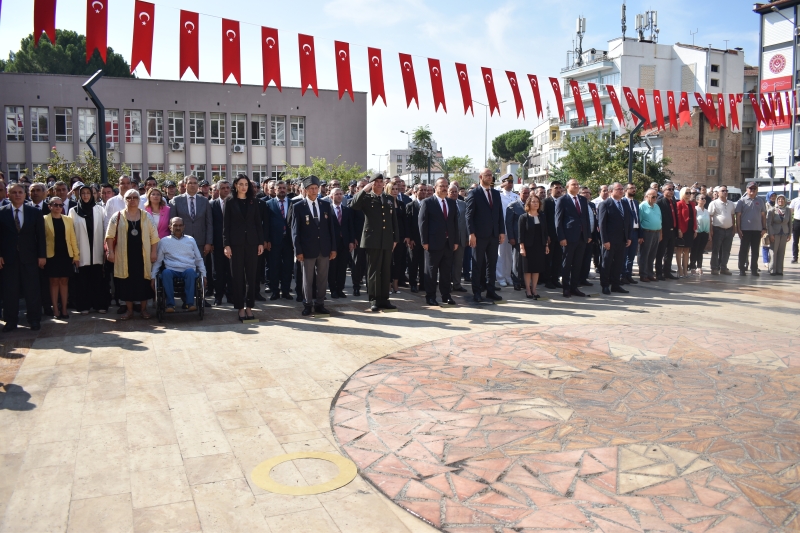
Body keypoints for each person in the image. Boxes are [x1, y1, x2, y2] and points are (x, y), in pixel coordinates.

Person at [105, 189, 159, 320]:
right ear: (125, 200)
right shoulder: (117, 216)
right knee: (127, 283)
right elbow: (110, 236)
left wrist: (153, 252)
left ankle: (143, 310)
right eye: (129, 197)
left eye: (135, 197)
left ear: (139, 200)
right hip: (124, 256)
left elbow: (154, 237)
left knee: (143, 283)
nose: (132, 200)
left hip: (143, 256)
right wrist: (110, 252)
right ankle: (129, 311)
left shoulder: (147, 216)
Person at [0, 183, 46, 331]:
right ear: (8, 195)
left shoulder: (34, 212)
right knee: (10, 291)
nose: (18, 195)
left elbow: (40, 236)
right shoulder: (2, 212)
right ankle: (11, 320)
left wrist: (42, 256)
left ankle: (34, 319)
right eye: (14, 192)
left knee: (32, 289)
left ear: (25, 195)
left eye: (20, 192)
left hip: (30, 257)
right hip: (9, 258)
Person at [349, 173, 399, 312]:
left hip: (387, 239)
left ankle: (385, 299)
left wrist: (396, 239)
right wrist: (364, 190)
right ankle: (374, 299)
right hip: (372, 239)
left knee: (386, 270)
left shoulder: (388, 198)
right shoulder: (366, 198)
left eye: (380, 181)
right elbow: (353, 204)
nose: (378, 184)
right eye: (375, 182)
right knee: (374, 271)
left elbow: (393, 220)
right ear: (371, 184)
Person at [291, 176, 336, 316]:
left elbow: (331, 229)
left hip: (324, 248)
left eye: (316, 188)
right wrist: (298, 250)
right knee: (307, 279)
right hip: (307, 249)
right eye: (311, 188)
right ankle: (307, 304)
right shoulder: (298, 206)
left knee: (323, 278)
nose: (314, 191)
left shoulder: (325, 205)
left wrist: (333, 248)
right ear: (305, 190)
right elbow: (295, 231)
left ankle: (320, 303)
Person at [223, 174, 265, 321]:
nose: (243, 187)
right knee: (237, 277)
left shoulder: (254, 201)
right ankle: (240, 308)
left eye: (246, 184)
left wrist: (261, 242)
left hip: (252, 244)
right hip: (235, 244)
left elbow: (258, 224)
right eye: (240, 184)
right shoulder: (229, 202)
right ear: (235, 185)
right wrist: (226, 245)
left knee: (252, 277)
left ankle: (249, 307)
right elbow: (226, 226)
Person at [152, 217, 207, 312]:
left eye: (180, 225)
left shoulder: (191, 240)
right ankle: (170, 305)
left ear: (184, 227)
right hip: (171, 269)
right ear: (170, 227)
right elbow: (158, 261)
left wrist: (204, 275)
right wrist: (153, 277)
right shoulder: (164, 241)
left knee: (190, 272)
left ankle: (189, 304)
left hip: (188, 269)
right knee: (166, 273)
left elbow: (198, 259)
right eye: (175, 225)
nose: (178, 228)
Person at [465, 168, 505, 303]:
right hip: (479, 235)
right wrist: (471, 233)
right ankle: (477, 292)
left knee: (492, 264)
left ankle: (490, 290)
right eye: (487, 175)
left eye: (491, 175)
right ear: (480, 177)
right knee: (477, 264)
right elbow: (469, 216)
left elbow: (499, 214)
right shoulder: (474, 193)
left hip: (493, 235)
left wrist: (501, 231)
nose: (489, 177)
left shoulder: (495, 193)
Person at [69, 184, 108, 314]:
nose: (86, 195)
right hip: (82, 251)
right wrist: (75, 254)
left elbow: (104, 230)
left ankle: (99, 304)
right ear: (79, 195)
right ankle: (84, 305)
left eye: (88, 193)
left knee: (98, 279)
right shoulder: (73, 211)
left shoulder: (99, 209)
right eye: (83, 193)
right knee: (82, 281)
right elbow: (71, 234)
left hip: (97, 249)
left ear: (92, 195)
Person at [419, 177, 458, 306]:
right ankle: (430, 296)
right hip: (433, 243)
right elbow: (422, 223)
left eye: (446, 185)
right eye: (441, 185)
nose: (444, 188)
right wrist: (424, 241)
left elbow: (454, 224)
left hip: (448, 243)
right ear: (435, 187)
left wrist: (455, 240)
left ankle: (446, 296)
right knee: (431, 271)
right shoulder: (428, 202)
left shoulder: (451, 203)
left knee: (446, 272)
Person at [43, 197, 80, 319]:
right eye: (55, 205)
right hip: (51, 256)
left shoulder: (68, 220)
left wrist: (76, 255)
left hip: (65, 255)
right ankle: (55, 309)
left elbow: (72, 238)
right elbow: (41, 240)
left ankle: (64, 308)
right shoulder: (44, 219)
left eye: (60, 205)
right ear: (50, 206)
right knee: (53, 282)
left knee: (64, 282)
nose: (58, 207)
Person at [555, 179, 592, 298]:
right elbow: (558, 221)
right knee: (567, 263)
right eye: (573, 184)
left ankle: (574, 287)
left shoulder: (582, 199)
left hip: (581, 237)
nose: (576, 186)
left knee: (578, 263)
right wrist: (561, 237)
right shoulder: (562, 200)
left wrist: (588, 235)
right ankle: (566, 288)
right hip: (568, 237)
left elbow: (586, 219)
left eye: (577, 184)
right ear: (567, 187)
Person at [597, 182, 632, 295]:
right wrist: (604, 241)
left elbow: (628, 222)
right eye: (618, 189)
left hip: (622, 240)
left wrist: (628, 237)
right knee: (606, 263)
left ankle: (616, 285)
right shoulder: (605, 204)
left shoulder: (625, 204)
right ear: (611, 191)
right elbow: (602, 224)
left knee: (618, 263)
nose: (622, 191)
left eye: (622, 189)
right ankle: (605, 285)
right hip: (609, 240)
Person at [263, 181, 293, 301]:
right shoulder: (268, 204)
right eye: (279, 188)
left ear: (287, 189)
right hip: (274, 241)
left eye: (284, 188)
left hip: (289, 241)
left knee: (288, 267)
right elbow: (265, 224)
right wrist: (267, 240)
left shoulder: (292, 203)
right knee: (274, 266)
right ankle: (275, 291)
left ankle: (286, 291)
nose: (282, 190)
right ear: (274, 190)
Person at [518, 195, 549, 299]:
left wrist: (546, 245)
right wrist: (522, 247)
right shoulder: (523, 217)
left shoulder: (542, 216)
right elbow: (520, 234)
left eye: (537, 202)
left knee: (536, 269)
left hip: (539, 245)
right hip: (528, 246)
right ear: (529, 204)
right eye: (533, 202)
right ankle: (528, 289)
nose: (536, 203)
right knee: (528, 269)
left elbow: (545, 232)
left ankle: (534, 289)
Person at [736, 182, 767, 277]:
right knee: (744, 250)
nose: (752, 190)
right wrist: (739, 229)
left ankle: (754, 269)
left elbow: (763, 215)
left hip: (757, 230)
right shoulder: (742, 201)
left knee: (755, 250)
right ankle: (742, 268)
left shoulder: (760, 201)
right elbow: (738, 216)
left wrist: (764, 228)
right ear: (746, 190)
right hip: (745, 229)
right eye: (750, 189)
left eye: (754, 189)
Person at [328, 188, 355, 299]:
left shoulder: (346, 210)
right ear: (331, 197)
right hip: (332, 244)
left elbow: (350, 227)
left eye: (340, 194)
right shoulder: (327, 210)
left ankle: (340, 289)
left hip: (344, 243)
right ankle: (333, 290)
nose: (339, 196)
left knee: (342, 268)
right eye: (336, 194)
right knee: (332, 268)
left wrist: (351, 241)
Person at [210, 180, 232, 305]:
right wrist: (211, 242)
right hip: (217, 243)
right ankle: (218, 296)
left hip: (232, 244)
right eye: (223, 188)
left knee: (231, 271)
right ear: (218, 190)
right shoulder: (212, 204)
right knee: (218, 272)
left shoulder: (235, 204)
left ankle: (231, 296)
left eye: (227, 188)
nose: (226, 190)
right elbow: (210, 224)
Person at [496, 174, 518, 287]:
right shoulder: (498, 195)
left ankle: (508, 276)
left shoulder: (515, 196)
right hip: (502, 228)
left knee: (509, 254)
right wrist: (500, 186)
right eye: (508, 182)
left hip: (512, 229)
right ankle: (500, 277)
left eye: (511, 182)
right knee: (501, 253)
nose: (510, 184)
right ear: (503, 182)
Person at [384, 182, 407, 294]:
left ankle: (396, 285)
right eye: (392, 189)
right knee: (388, 261)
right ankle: (387, 285)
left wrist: (407, 236)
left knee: (398, 261)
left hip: (401, 236)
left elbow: (405, 221)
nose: (395, 191)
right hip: (388, 236)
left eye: (396, 189)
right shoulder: (384, 203)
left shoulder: (402, 204)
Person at [708, 186, 736, 275]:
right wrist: (710, 230)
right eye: (723, 191)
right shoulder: (714, 203)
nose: (725, 192)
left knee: (727, 250)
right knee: (716, 249)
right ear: (718, 193)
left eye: (726, 191)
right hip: (717, 229)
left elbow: (732, 216)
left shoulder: (731, 203)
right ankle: (714, 268)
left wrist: (734, 227)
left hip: (729, 230)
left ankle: (723, 267)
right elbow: (710, 217)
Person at [505, 186, 529, 291]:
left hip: (528, 238)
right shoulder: (513, 206)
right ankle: (516, 281)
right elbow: (508, 223)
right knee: (517, 261)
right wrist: (511, 237)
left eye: (528, 193)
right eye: (524, 193)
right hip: (517, 237)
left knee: (526, 261)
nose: (526, 195)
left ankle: (524, 281)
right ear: (519, 193)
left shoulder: (530, 205)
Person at [348, 178, 368, 296]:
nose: (366, 188)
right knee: (357, 263)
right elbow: (350, 222)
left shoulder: (372, 201)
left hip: (370, 238)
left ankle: (370, 286)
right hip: (358, 238)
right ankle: (356, 286)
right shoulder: (353, 202)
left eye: (367, 186)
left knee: (368, 263)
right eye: (362, 186)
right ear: (358, 189)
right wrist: (353, 238)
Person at [447, 183, 468, 294]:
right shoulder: (445, 203)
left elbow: (467, 221)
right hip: (449, 239)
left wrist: (468, 236)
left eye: (456, 192)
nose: (454, 194)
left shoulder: (463, 204)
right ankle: (446, 284)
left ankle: (457, 284)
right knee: (447, 263)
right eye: (452, 192)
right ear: (448, 192)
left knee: (458, 262)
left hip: (461, 238)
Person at [655, 183, 679, 280]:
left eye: (672, 189)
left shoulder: (672, 201)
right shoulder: (659, 202)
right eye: (669, 189)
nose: (671, 191)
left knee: (669, 253)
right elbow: (659, 218)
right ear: (663, 191)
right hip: (663, 231)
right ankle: (659, 273)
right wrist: (660, 232)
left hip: (672, 231)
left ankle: (667, 271)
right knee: (660, 253)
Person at [405, 184, 426, 293]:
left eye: (425, 190)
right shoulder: (410, 206)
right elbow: (407, 224)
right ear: (415, 192)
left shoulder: (429, 204)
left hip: (425, 241)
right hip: (414, 240)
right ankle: (413, 284)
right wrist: (410, 238)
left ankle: (423, 284)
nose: (423, 192)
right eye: (421, 190)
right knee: (413, 263)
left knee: (424, 264)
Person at [638, 189, 662, 282]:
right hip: (646, 233)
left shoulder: (656, 206)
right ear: (646, 196)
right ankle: (643, 274)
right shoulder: (642, 206)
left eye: (656, 196)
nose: (655, 198)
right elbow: (639, 222)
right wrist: (640, 236)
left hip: (656, 232)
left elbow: (660, 220)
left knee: (652, 255)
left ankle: (650, 274)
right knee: (644, 254)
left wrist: (660, 233)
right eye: (653, 197)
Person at [543, 181, 564, 289]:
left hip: (560, 236)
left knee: (558, 258)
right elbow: (544, 220)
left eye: (560, 188)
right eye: (556, 188)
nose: (559, 190)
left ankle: (555, 279)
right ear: (551, 189)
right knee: (548, 259)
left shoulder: (563, 201)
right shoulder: (546, 202)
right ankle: (548, 280)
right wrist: (546, 235)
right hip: (550, 236)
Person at [674, 187, 697, 278]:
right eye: (687, 193)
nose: (688, 194)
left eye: (690, 193)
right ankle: (679, 269)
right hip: (682, 229)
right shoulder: (679, 204)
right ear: (683, 193)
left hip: (691, 229)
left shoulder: (692, 204)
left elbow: (694, 217)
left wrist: (695, 229)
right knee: (679, 249)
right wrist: (679, 229)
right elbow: (679, 217)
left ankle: (685, 270)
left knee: (687, 250)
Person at [767, 195, 792, 276]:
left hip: (784, 233)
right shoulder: (772, 210)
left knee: (781, 251)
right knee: (773, 251)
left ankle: (779, 270)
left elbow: (790, 223)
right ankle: (772, 269)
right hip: (775, 233)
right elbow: (769, 223)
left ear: (785, 201)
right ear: (777, 200)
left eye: (782, 199)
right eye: (779, 199)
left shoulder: (788, 210)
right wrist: (770, 234)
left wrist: (789, 234)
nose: (781, 201)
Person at [621, 183, 641, 285]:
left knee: (631, 256)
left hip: (635, 231)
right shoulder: (622, 202)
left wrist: (640, 234)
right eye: (631, 188)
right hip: (626, 232)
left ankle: (629, 275)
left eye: (634, 188)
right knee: (624, 255)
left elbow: (638, 218)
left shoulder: (636, 202)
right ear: (625, 190)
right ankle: (622, 275)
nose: (634, 190)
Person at [579, 186, 598, 287]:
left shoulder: (592, 205)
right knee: (579, 259)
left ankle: (584, 278)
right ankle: (577, 279)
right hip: (581, 236)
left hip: (591, 236)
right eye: (584, 192)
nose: (586, 194)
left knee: (587, 259)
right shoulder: (579, 205)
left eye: (588, 193)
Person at [689, 193, 711, 275]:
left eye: (704, 198)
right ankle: (692, 266)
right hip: (697, 232)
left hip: (705, 233)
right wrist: (694, 231)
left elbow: (709, 222)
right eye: (702, 198)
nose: (704, 200)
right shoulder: (695, 209)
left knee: (701, 250)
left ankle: (699, 266)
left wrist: (709, 233)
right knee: (695, 250)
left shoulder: (706, 211)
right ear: (697, 200)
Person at [790, 193, 800, 264]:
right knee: (795, 241)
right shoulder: (795, 200)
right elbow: (790, 211)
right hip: (797, 221)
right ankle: (795, 257)